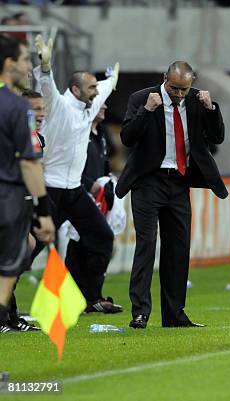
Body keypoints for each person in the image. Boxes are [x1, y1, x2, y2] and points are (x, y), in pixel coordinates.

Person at [116, 61, 226, 329]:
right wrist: (147, 111)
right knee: (146, 245)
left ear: (192, 82)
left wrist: (211, 109)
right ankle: (140, 312)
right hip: (147, 182)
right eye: (174, 88)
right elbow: (127, 138)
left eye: (183, 90)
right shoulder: (142, 99)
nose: (178, 95)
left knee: (178, 250)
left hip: (179, 183)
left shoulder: (199, 101)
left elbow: (218, 138)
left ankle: (175, 316)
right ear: (165, 78)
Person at [30, 35, 122, 313]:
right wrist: (45, 67)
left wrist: (112, 80)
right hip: (50, 189)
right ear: (75, 89)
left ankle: (89, 298)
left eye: (95, 87)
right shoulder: (58, 106)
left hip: (74, 192)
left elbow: (105, 88)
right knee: (30, 249)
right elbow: (46, 87)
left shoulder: (89, 103)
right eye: (90, 87)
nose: (96, 92)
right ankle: (5, 305)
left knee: (102, 238)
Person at [0, 35, 55, 332]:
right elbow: (29, 163)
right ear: (9, 64)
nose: (27, 66)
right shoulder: (15, 107)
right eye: (24, 60)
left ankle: (10, 318)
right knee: (9, 270)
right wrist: (43, 211)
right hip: (7, 199)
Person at [64, 103, 122, 313]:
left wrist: (108, 177)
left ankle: (86, 297)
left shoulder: (101, 133)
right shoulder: (78, 132)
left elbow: (105, 160)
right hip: (77, 194)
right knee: (93, 241)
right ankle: (88, 297)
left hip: (96, 197)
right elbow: (69, 163)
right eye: (100, 101)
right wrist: (89, 184)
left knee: (83, 243)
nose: (105, 105)